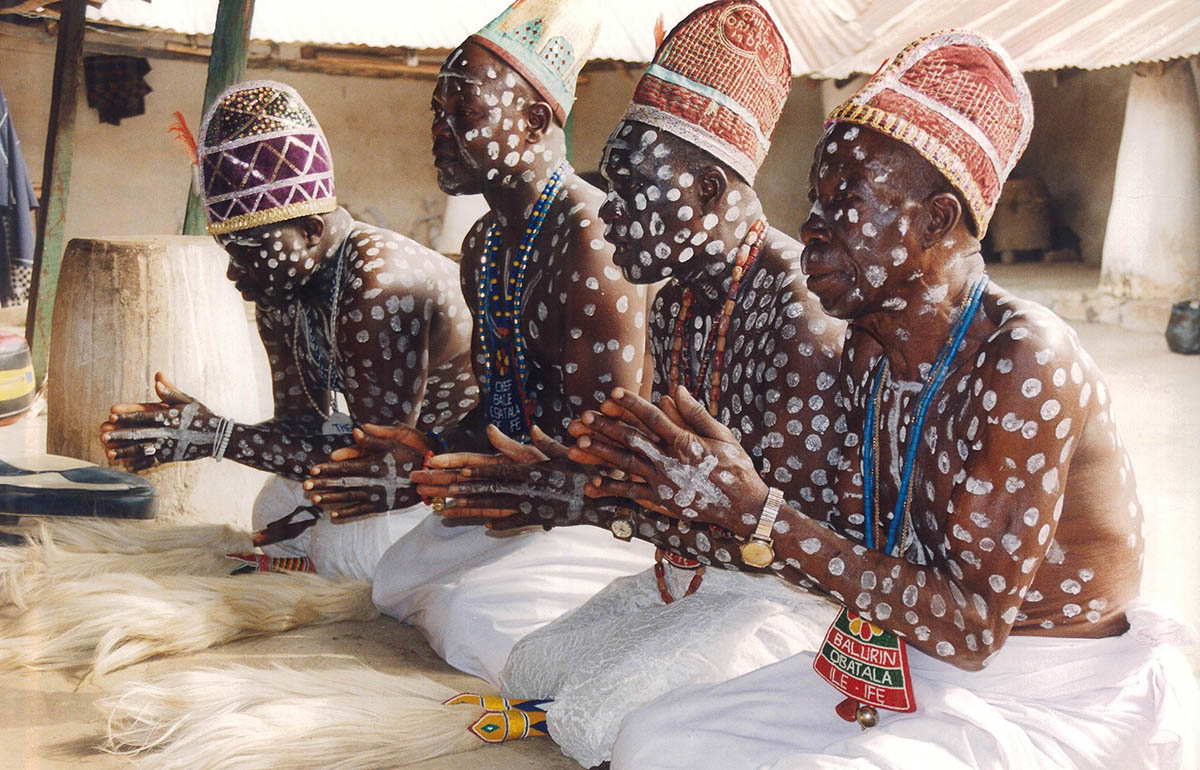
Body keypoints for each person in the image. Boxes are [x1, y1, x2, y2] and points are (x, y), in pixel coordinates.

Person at [558, 30, 1196, 770]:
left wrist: (757, 511)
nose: (811, 233)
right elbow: (846, 544)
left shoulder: (1026, 359)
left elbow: (969, 630)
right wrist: (659, 498)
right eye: (813, 205)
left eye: (843, 205)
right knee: (652, 740)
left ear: (936, 221)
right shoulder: (870, 342)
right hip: (900, 659)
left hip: (1050, 691)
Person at [411, 3, 847, 765]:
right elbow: (658, 486)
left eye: (630, 188)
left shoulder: (798, 310)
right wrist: (571, 488)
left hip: (788, 600)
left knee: (607, 720)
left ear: (711, 191)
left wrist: (584, 502)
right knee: (531, 669)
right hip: (695, 575)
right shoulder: (679, 299)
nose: (611, 213)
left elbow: (783, 549)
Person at [302, 0, 656, 686]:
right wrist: (427, 451)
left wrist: (461, 476)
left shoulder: (591, 237)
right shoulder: (486, 245)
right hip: (525, 494)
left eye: (460, 110)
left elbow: (607, 457)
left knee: (475, 617)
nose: (438, 130)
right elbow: (502, 411)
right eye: (436, 111)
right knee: (389, 571)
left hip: (605, 512)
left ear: (532, 119)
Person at [99, 80, 477, 579]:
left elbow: (378, 463)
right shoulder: (284, 282)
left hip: (440, 471)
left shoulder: (378, 280)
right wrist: (206, 428)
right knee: (275, 506)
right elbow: (299, 427)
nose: (236, 274)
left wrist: (216, 437)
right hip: (383, 468)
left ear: (312, 232)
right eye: (230, 255)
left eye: (249, 254)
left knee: (354, 548)